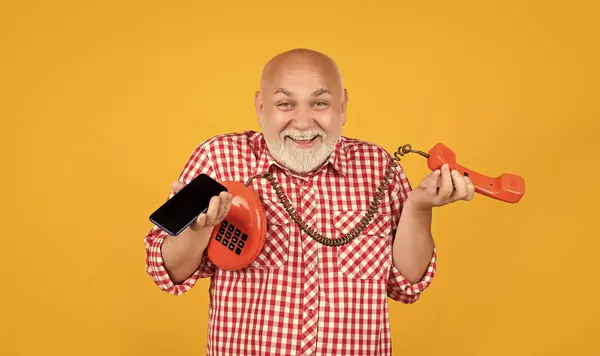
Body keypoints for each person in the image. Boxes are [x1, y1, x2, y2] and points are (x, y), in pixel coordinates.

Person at [143, 48, 474, 355]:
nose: (302, 123)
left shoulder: (378, 167)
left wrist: (419, 207)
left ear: (343, 106)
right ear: (261, 108)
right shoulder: (218, 159)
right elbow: (166, 272)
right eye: (286, 104)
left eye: (319, 103)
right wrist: (198, 231)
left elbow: (406, 284)